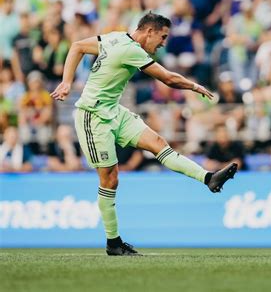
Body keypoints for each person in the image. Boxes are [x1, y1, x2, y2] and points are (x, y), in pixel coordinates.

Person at [50, 13, 238, 256]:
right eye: (162, 37)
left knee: (158, 143)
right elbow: (168, 79)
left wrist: (67, 81)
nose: (162, 43)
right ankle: (113, 243)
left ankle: (209, 178)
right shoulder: (131, 50)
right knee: (110, 178)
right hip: (93, 116)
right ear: (149, 31)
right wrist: (194, 85)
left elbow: (77, 47)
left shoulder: (114, 38)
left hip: (114, 111)